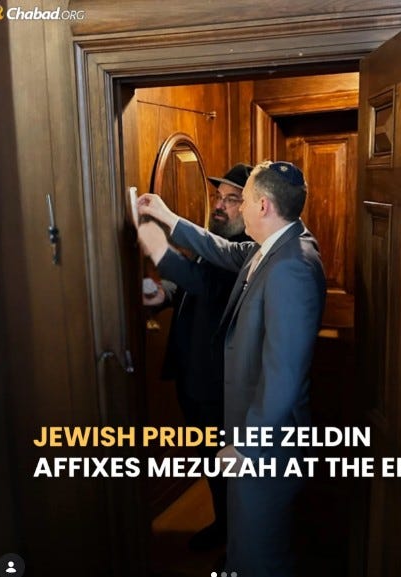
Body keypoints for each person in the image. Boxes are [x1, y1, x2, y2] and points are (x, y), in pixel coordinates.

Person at [137, 160, 326, 577]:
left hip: (268, 445)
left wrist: (247, 446)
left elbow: (284, 374)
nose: (232, 208)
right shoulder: (270, 245)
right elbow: (219, 249)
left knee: (262, 556)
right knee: (245, 544)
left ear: (262, 206)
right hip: (251, 430)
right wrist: (165, 217)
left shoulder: (292, 265)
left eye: (242, 199)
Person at [142, 163, 253, 551]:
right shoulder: (217, 240)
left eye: (231, 199)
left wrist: (154, 241)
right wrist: (165, 293)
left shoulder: (249, 251)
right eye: (219, 197)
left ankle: (237, 541)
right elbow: (192, 280)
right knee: (211, 460)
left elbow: (204, 282)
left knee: (229, 465)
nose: (220, 206)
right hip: (192, 375)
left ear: (253, 205)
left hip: (217, 383)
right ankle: (225, 527)